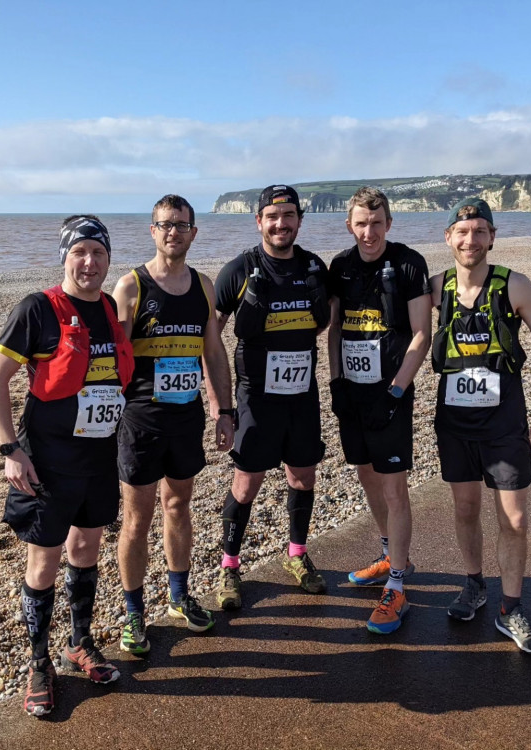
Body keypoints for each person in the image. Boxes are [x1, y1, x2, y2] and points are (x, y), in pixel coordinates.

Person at [0, 216, 133, 717]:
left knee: (87, 547)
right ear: (65, 255)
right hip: (46, 462)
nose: (89, 262)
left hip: (97, 459)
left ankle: (79, 642)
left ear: (109, 258)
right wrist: (10, 450)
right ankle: (37, 662)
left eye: (98, 253)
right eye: (80, 252)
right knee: (44, 560)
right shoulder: (37, 309)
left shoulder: (109, 308)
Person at [431, 197, 531, 654]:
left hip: (504, 421)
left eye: (480, 231)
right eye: (462, 231)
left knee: (515, 519)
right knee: (466, 510)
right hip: (453, 421)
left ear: (492, 237)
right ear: (448, 237)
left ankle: (511, 608)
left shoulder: (514, 286)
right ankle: (474, 586)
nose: (471, 239)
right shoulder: (436, 288)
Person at [113, 195, 234, 652]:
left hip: (186, 419)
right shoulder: (131, 286)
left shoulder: (203, 286)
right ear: (152, 231)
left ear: (193, 232)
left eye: (181, 225)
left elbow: (214, 354)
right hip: (140, 422)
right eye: (165, 225)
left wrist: (224, 411)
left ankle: (180, 596)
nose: (173, 232)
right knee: (137, 519)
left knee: (179, 506)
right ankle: (132, 613)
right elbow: (114, 360)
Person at [208, 184, 330, 609]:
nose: (281, 224)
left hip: (301, 396)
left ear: (299, 220)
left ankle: (297, 555)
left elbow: (318, 325)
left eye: (289, 216)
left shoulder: (315, 267)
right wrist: (220, 404)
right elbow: (211, 340)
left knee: (303, 476)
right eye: (273, 217)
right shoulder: (238, 271)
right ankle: (228, 567)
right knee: (246, 483)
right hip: (255, 398)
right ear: (259, 221)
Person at [327, 187, 431, 634]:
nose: (369, 232)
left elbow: (422, 334)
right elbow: (334, 330)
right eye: (361, 224)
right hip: (352, 392)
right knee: (366, 475)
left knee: (394, 488)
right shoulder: (340, 266)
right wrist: (334, 380)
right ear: (349, 225)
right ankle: (390, 553)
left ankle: (399, 585)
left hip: (390, 393)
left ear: (389, 223)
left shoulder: (409, 263)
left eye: (377, 223)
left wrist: (396, 390)